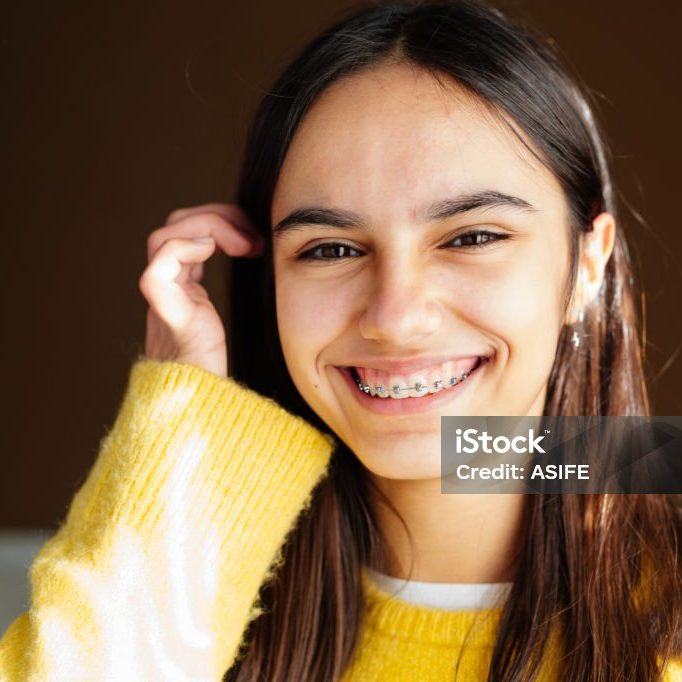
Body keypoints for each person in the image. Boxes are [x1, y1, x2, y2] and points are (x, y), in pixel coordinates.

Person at [1, 1, 681, 680]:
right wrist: (183, 423)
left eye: (472, 237)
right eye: (330, 249)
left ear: (588, 263)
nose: (394, 314)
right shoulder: (191, 601)